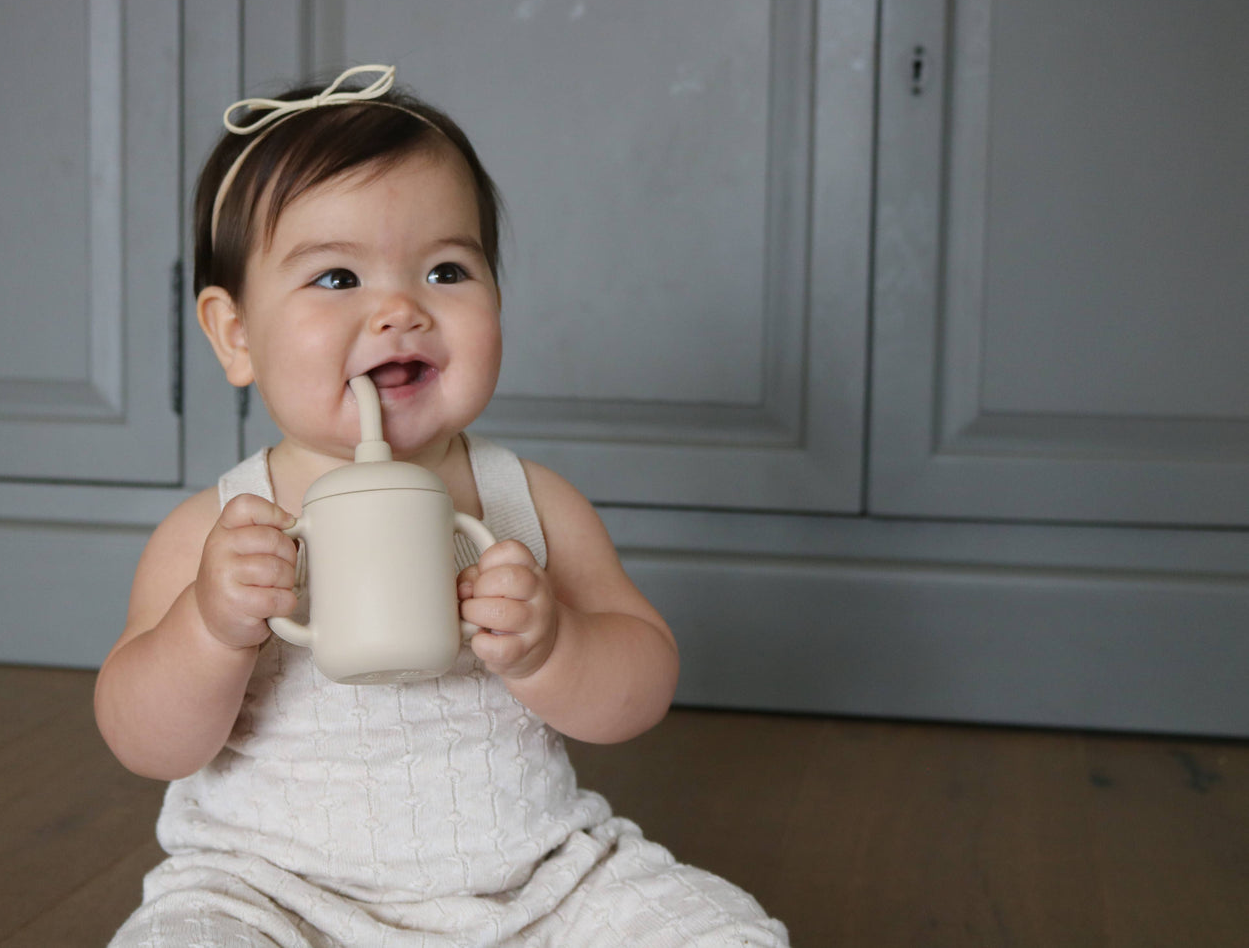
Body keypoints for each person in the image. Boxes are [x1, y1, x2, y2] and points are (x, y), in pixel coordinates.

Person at [95, 64, 789, 947]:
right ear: (235, 334)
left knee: (715, 933)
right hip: (271, 893)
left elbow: (639, 688)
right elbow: (143, 739)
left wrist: (552, 645)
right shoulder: (215, 531)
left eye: (447, 269)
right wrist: (209, 624)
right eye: (337, 278)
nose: (399, 309)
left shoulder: (527, 503)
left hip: (534, 883)